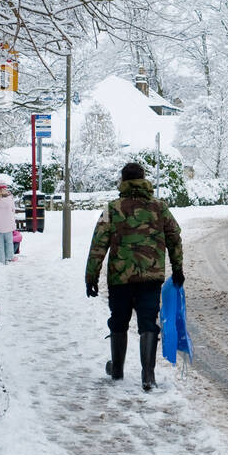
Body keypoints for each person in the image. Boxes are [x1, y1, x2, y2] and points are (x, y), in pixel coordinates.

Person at [85, 162, 184, 391]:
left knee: (119, 320)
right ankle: (148, 376)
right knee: (148, 322)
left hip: (120, 278)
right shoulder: (159, 207)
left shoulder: (113, 208)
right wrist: (178, 268)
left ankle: (117, 370)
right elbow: (174, 237)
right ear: (144, 179)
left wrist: (91, 277)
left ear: (123, 181)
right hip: (150, 277)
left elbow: (98, 244)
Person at [0, 179, 17, 265]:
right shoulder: (10, 198)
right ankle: (9, 257)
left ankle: (0, 258)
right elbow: (13, 210)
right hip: (8, 224)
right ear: (5, 188)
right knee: (9, 242)